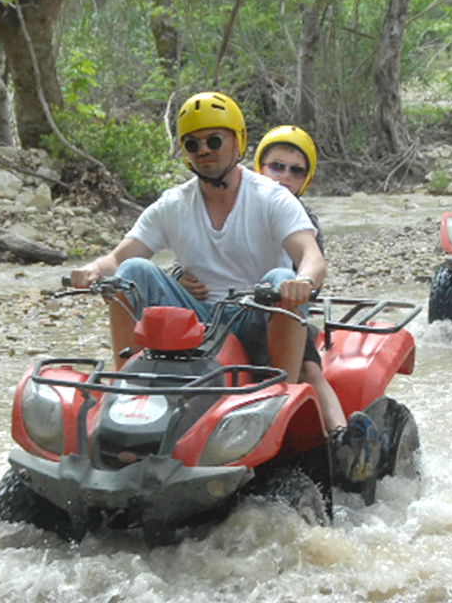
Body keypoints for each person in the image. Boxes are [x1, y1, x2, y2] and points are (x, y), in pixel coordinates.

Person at [69, 91, 324, 388]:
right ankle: (126, 384)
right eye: (193, 144)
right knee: (130, 272)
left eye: (214, 141)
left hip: (257, 313)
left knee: (281, 277)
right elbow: (117, 258)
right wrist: (93, 270)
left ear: (238, 140)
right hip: (194, 317)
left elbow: (311, 257)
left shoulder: (272, 198)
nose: (203, 150)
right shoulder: (173, 204)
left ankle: (283, 392)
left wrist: (303, 281)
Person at [174, 124, 375, 481]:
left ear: (306, 178)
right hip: (220, 313)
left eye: (296, 171)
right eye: (276, 166)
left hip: (279, 312)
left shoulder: (301, 219)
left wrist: (299, 286)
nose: (284, 177)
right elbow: (200, 254)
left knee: (308, 370)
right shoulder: (227, 204)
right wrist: (178, 276)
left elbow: (311, 266)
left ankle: (342, 441)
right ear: (258, 167)